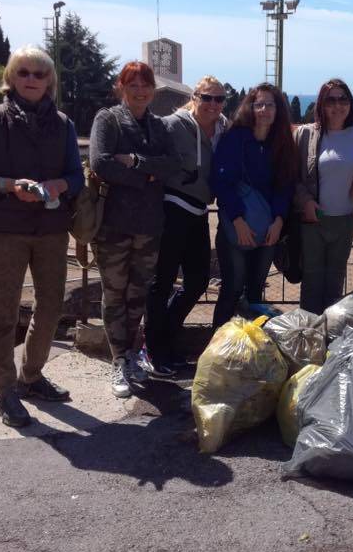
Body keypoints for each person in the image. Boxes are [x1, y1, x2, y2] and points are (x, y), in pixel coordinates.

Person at [0, 45, 83, 428]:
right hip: (4, 232)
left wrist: (58, 184)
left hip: (49, 230)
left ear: (50, 82)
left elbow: (77, 177)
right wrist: (11, 185)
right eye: (24, 73)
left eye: (39, 74)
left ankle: (31, 376)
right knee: (3, 313)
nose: (31, 79)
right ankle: (5, 392)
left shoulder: (63, 124)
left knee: (50, 308)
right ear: (11, 78)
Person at [89, 62, 174, 398]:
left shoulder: (158, 125)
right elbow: (101, 163)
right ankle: (119, 360)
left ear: (153, 89)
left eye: (145, 84)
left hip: (149, 226)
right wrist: (149, 178)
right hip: (114, 225)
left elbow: (174, 164)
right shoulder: (107, 119)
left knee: (137, 294)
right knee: (114, 295)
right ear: (120, 87)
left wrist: (136, 163)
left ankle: (131, 353)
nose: (140, 90)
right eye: (133, 84)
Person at [144, 76, 228, 378]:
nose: (213, 104)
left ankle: (163, 337)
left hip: (198, 212)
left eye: (219, 99)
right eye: (207, 98)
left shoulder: (222, 127)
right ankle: (154, 349)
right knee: (162, 282)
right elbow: (150, 150)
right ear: (195, 97)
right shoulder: (173, 125)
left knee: (197, 281)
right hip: (172, 208)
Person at [211, 83, 296, 327]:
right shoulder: (234, 139)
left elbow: (285, 184)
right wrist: (238, 220)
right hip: (236, 227)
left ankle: (250, 353)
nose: (264, 110)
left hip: (269, 228)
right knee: (232, 288)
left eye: (270, 104)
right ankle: (217, 349)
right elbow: (221, 181)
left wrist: (279, 221)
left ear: (278, 110)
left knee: (255, 292)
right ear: (251, 107)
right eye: (259, 104)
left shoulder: (282, 143)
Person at [294, 79, 353, 314]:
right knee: (312, 285)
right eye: (331, 100)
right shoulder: (306, 134)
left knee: (335, 286)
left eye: (343, 99)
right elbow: (292, 177)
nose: (338, 105)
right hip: (313, 221)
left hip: (344, 221)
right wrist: (305, 201)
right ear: (321, 104)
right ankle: (309, 339)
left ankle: (330, 341)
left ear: (350, 102)